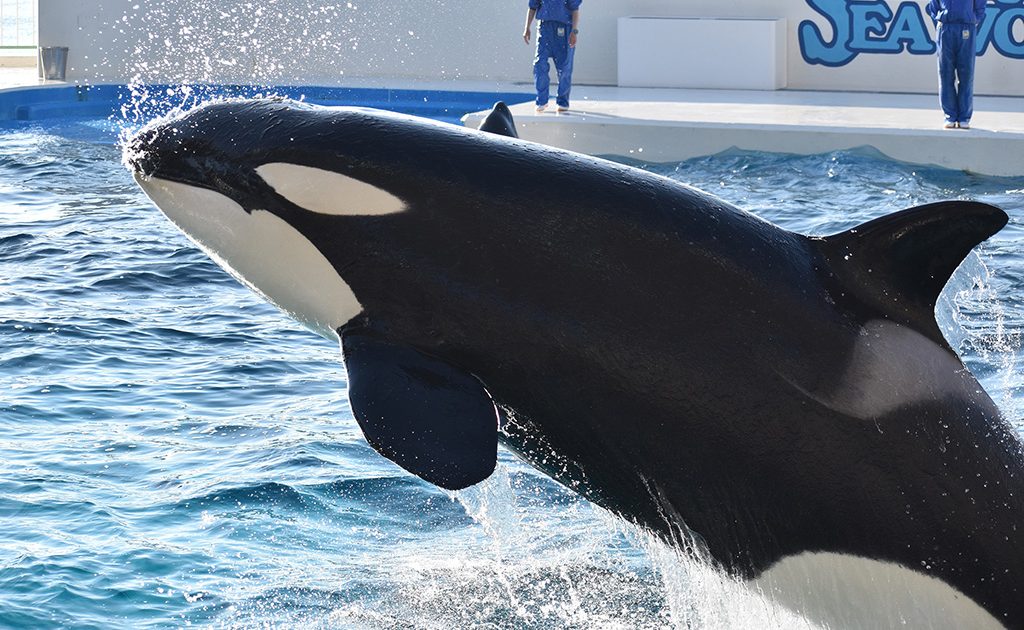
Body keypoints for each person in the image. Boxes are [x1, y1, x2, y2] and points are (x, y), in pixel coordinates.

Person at [926, 0, 987, 129]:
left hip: (966, 28)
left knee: (966, 74)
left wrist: (973, 18)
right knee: (945, 73)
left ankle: (964, 117)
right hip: (946, 29)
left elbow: (980, 6)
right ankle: (950, 116)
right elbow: (933, 6)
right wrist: (941, 18)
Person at [523, 0, 581, 113]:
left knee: (564, 67)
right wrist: (527, 27)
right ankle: (542, 100)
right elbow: (532, 7)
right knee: (540, 64)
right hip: (545, 28)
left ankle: (562, 101)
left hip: (564, 28)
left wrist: (574, 31)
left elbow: (575, 9)